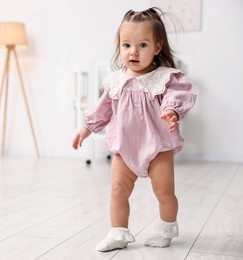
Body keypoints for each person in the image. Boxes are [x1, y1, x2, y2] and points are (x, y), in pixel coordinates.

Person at [72, 7, 197, 252]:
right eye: (127, 45)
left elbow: (179, 94)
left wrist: (171, 111)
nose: (133, 52)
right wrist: (86, 128)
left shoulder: (164, 77)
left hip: (157, 147)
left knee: (164, 192)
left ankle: (166, 228)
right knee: (118, 190)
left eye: (142, 45)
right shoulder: (116, 80)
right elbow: (102, 108)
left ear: (157, 48)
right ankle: (118, 233)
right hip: (124, 147)